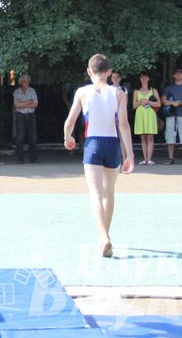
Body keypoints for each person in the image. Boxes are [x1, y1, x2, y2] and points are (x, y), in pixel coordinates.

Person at [63, 54, 135, 258]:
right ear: (110, 72)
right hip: (112, 144)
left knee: (95, 194)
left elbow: (69, 121)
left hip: (93, 143)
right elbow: (123, 124)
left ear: (89, 71)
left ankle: (103, 237)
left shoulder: (82, 92)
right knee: (109, 193)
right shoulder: (119, 93)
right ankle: (105, 234)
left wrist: (67, 138)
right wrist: (129, 154)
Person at [161, 68, 182, 164]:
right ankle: (171, 158)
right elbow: (163, 100)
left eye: (180, 73)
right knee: (170, 136)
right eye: (176, 73)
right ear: (174, 76)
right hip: (171, 115)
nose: (178, 75)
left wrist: (180, 103)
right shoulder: (169, 87)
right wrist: (173, 103)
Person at [132, 72, 160, 165]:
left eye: (146, 77)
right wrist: (140, 101)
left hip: (150, 114)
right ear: (140, 79)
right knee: (143, 137)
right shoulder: (137, 91)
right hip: (140, 115)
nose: (144, 79)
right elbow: (134, 106)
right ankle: (145, 159)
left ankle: (149, 159)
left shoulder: (153, 90)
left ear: (149, 78)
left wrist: (148, 102)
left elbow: (159, 104)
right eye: (142, 77)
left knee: (150, 137)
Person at [12, 74, 39, 164]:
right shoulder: (17, 92)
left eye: (27, 81)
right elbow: (17, 105)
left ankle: (34, 158)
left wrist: (22, 103)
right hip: (21, 116)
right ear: (21, 83)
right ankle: (20, 158)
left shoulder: (32, 91)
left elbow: (35, 104)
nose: (26, 83)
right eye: (24, 81)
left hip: (31, 115)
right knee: (20, 138)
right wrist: (29, 102)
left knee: (32, 137)